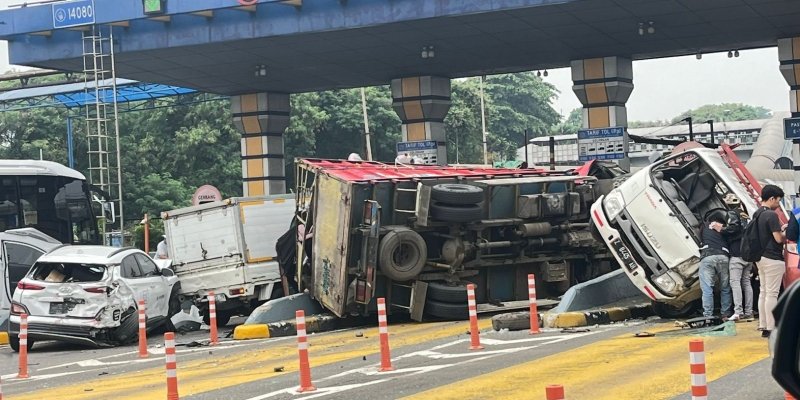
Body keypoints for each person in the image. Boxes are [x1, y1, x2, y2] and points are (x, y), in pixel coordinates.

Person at [754, 184, 787, 338]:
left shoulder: (757, 213)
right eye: (778, 201)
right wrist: (785, 233)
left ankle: (764, 325)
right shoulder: (772, 215)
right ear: (772, 198)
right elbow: (778, 238)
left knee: (764, 292)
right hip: (773, 258)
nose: (778, 204)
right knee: (772, 294)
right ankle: (772, 327)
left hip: (760, 257)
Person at [719, 193, 753, 322]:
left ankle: (738, 312)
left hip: (737, 253)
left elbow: (733, 228)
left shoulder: (732, 213)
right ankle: (749, 312)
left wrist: (721, 229)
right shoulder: (746, 215)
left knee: (735, 283)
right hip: (747, 254)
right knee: (746, 283)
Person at [698, 208, 733, 318]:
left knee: (707, 288)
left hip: (708, 256)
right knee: (725, 288)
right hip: (723, 256)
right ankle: (725, 314)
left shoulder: (704, 226)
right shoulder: (724, 229)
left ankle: (708, 315)